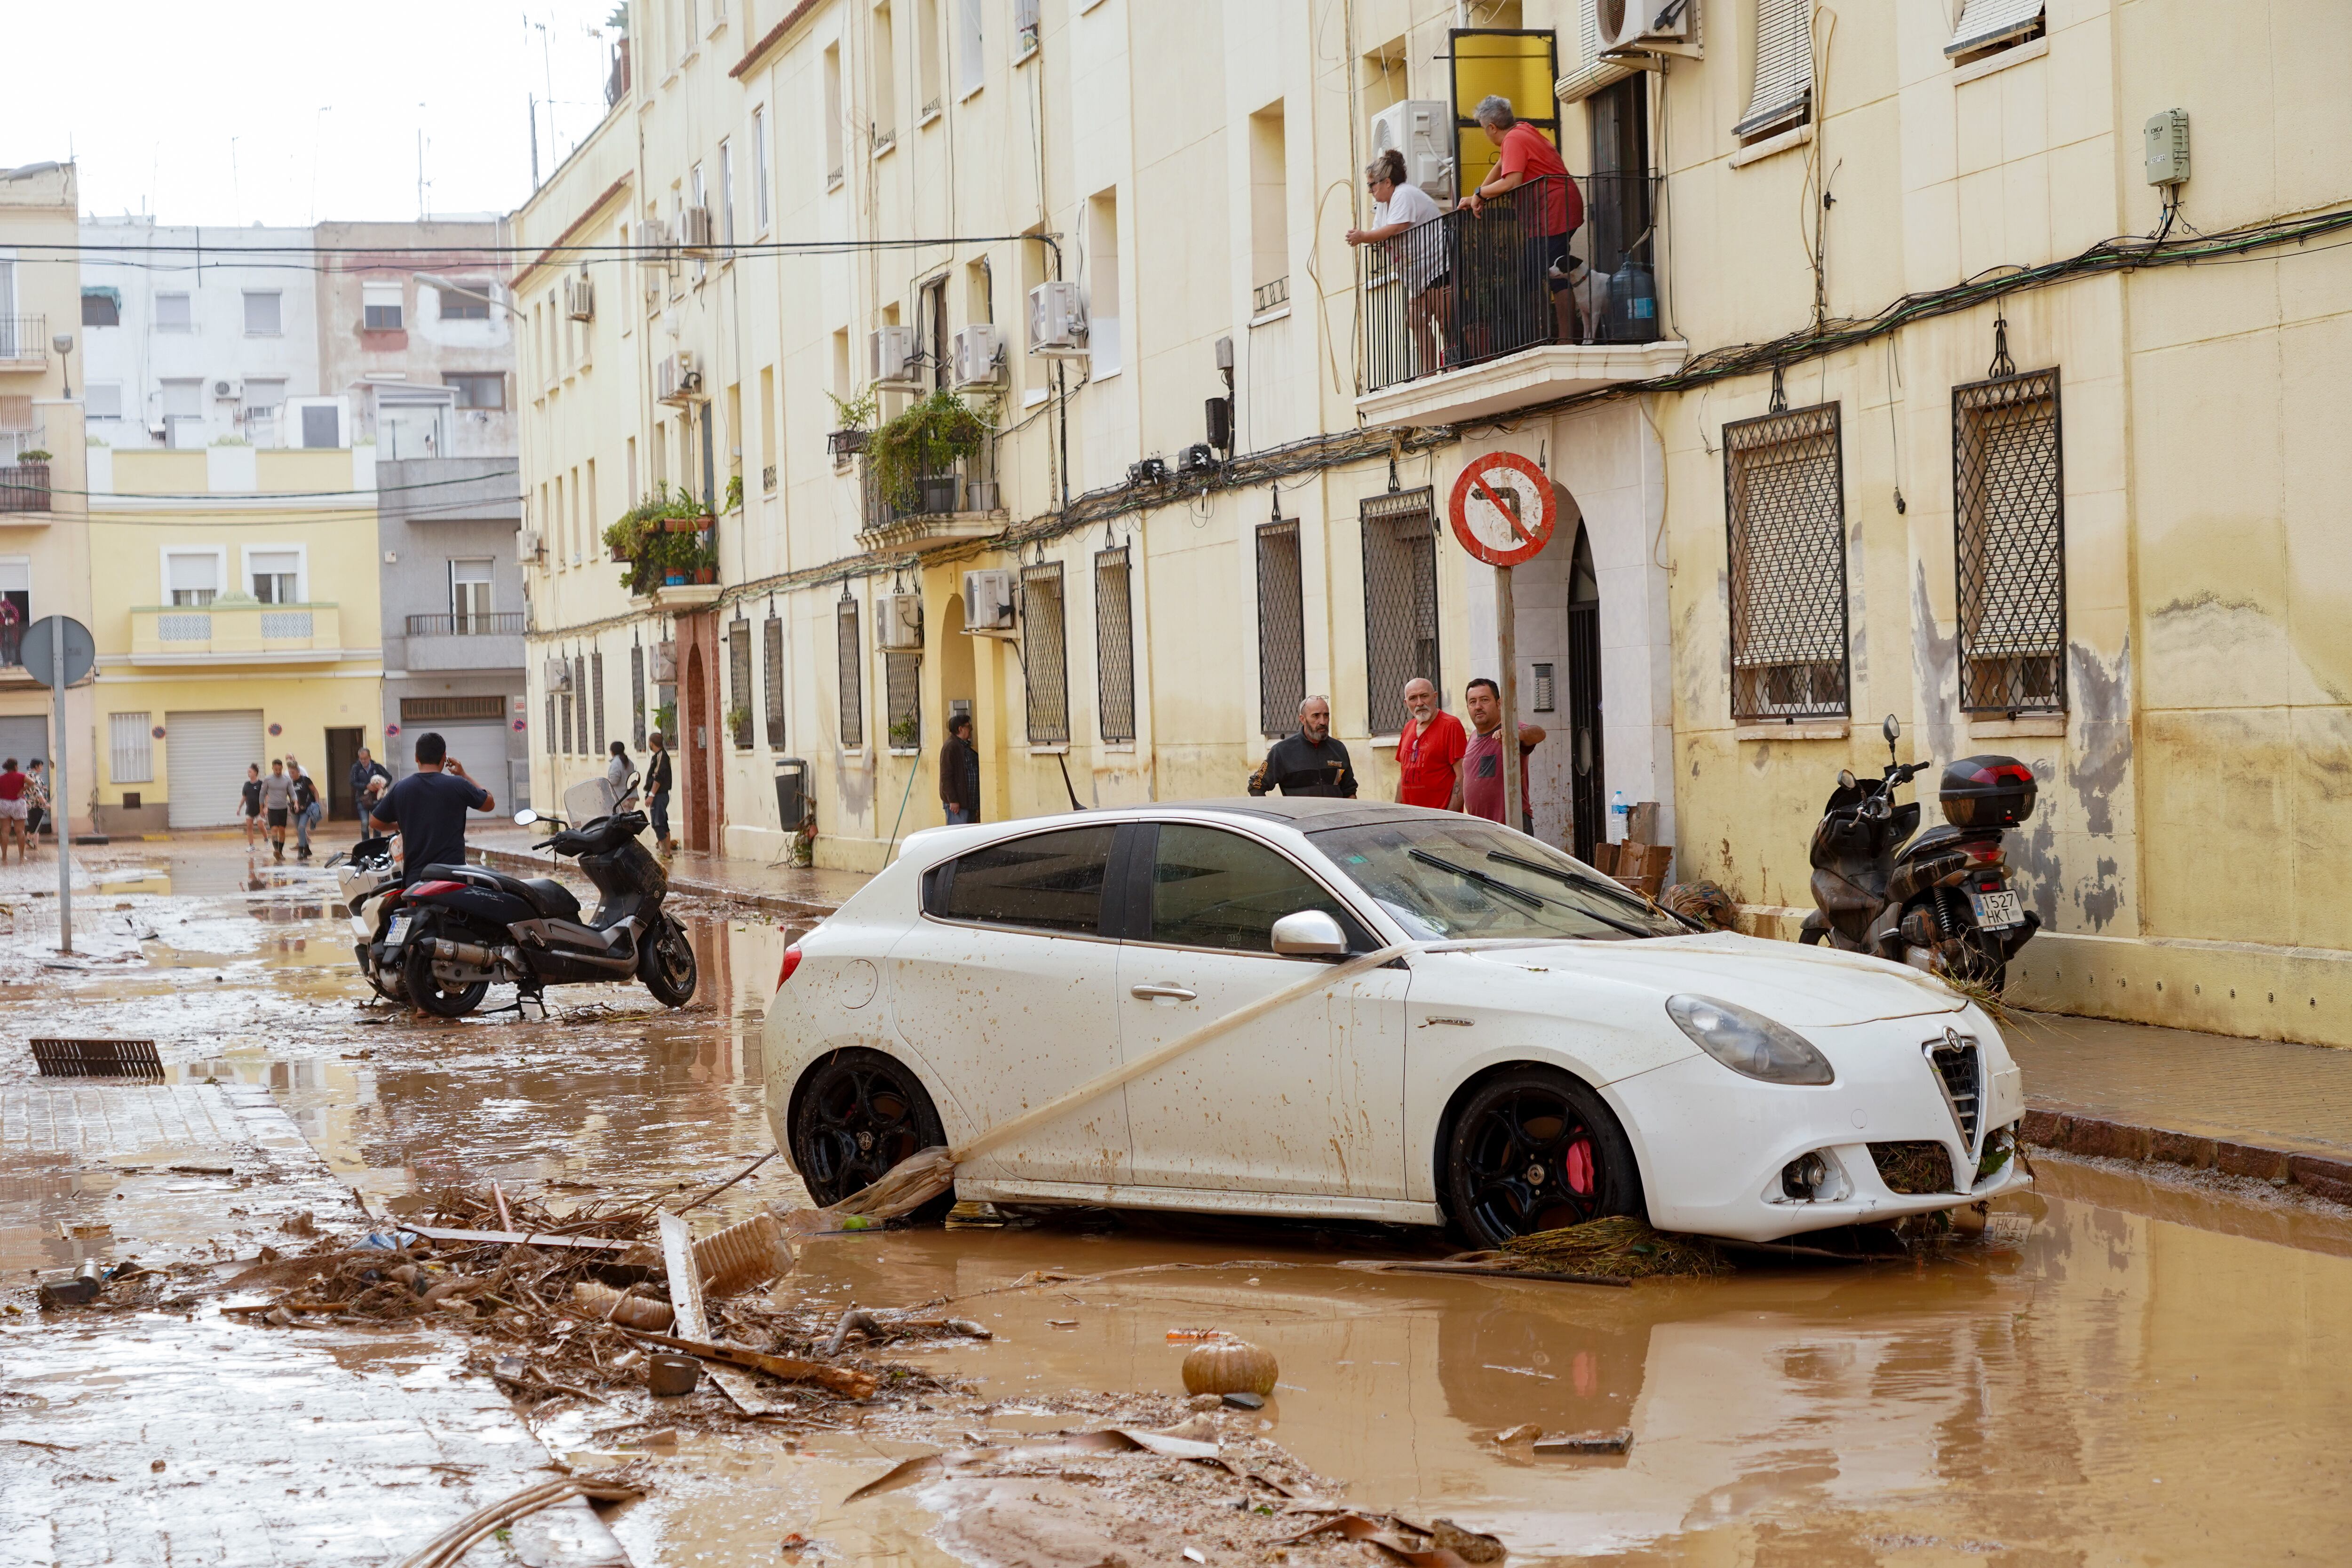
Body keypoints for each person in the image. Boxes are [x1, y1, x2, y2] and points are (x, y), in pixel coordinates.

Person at [1464, 95, 1585, 346]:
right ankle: (1545, 336)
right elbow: (1502, 165)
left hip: (1554, 209)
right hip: (1555, 207)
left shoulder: (1514, 139)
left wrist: (1479, 194)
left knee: (1551, 273)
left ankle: (1561, 338)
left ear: (1492, 128)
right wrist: (1478, 195)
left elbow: (1511, 182)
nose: (1485, 134)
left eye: (1483, 129)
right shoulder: (1522, 130)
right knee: (1536, 272)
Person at [1346, 149, 1449, 372]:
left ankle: (1453, 365)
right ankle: (1429, 370)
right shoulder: (1384, 205)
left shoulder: (1404, 194)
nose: (1370, 190)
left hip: (1437, 267)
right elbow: (1380, 233)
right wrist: (1366, 237)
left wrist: (1362, 237)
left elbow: (1394, 229)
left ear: (1387, 182)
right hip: (1418, 274)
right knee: (1415, 319)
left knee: (1445, 318)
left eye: (1372, 185)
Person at [369, 731, 496, 880]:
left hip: (416, 880)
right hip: (453, 879)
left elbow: (375, 822)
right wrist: (463, 774)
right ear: (444, 757)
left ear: (416, 757)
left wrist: (404, 824)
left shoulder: (402, 788)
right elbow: (489, 803)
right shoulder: (459, 785)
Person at [1461, 677, 1547, 832]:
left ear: (1499, 703)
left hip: (1511, 827)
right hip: (1482, 829)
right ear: (1468, 707)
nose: (1478, 706)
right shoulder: (1473, 737)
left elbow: (1539, 733)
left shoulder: (1509, 731)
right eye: (1473, 702)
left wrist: (1516, 734)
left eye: (1484, 700)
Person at [1249, 695, 1357, 797]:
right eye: (1316, 716)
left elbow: (1349, 791)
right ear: (1303, 719)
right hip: (1299, 812)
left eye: (1326, 715)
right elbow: (1256, 786)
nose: (1323, 722)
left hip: (1334, 812)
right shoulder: (1283, 751)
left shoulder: (1338, 749)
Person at [1395, 677, 1468, 810]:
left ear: (1435, 697)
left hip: (1439, 817)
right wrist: (1396, 813)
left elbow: (1463, 776)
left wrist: (1449, 817)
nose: (1419, 703)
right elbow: (1403, 776)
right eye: (1413, 698)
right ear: (1406, 703)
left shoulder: (1451, 726)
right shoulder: (1408, 728)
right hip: (1410, 817)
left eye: (1424, 696)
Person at [939, 712, 981, 825]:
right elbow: (946, 776)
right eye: (968, 726)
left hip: (970, 803)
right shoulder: (951, 747)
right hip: (958, 805)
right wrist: (953, 800)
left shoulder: (964, 746)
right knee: (959, 833)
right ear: (960, 729)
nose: (971, 729)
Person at [643, 730, 675, 853]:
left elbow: (658, 777)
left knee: (658, 824)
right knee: (661, 823)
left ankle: (665, 852)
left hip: (659, 796)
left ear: (651, 743)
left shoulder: (662, 756)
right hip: (658, 795)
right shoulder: (657, 756)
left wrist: (651, 795)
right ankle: (666, 852)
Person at [258, 757, 295, 863]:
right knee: (274, 829)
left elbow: (292, 793)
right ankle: (276, 850)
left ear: (282, 768)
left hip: (283, 808)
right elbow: (262, 794)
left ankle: (280, 852)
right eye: (276, 770)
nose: (278, 772)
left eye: (280, 769)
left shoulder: (287, 780)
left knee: (282, 830)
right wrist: (261, 808)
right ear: (273, 768)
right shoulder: (268, 779)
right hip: (272, 809)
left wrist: (295, 802)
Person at [286, 756, 322, 862]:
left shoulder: (305, 780)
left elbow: (315, 791)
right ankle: (307, 849)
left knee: (302, 828)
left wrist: (317, 804)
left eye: (293, 773)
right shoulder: (289, 783)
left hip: (306, 809)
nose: (291, 775)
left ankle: (301, 851)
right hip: (294, 810)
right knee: (299, 831)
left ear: (298, 771)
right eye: (290, 773)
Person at [349, 746, 391, 814]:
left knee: (377, 820)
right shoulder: (356, 768)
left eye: (365, 759)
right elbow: (353, 782)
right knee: (364, 821)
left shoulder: (377, 767)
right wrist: (366, 786)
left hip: (377, 799)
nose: (363, 761)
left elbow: (389, 778)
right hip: (362, 799)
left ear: (370, 757)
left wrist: (382, 786)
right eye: (361, 759)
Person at [0, 758, 25, 863]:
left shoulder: (1, 778)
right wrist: (22, 790)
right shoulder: (21, 776)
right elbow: (32, 783)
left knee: (5, 831)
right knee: (20, 831)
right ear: (15, 766)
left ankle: (4, 857)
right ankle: (21, 857)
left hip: (4, 804)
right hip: (18, 804)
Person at [605, 739, 635, 812]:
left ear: (612, 752)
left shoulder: (616, 763)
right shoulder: (629, 762)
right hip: (631, 798)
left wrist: (604, 782)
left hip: (621, 799)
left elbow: (614, 781)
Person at [24, 758, 48, 848]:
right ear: (37, 766)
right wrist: (44, 803)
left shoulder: (30, 775)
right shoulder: (33, 776)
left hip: (32, 805)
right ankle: (33, 845)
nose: (42, 768)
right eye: (41, 766)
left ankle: (30, 845)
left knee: (33, 826)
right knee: (36, 826)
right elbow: (37, 790)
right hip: (36, 805)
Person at [241, 763, 264, 849]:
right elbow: (244, 797)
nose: (249, 774)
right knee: (249, 827)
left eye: (250, 772)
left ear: (255, 772)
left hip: (259, 810)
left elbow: (266, 795)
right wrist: (239, 807)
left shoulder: (261, 783)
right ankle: (252, 845)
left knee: (261, 826)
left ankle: (266, 840)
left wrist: (266, 807)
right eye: (248, 772)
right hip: (250, 810)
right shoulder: (246, 784)